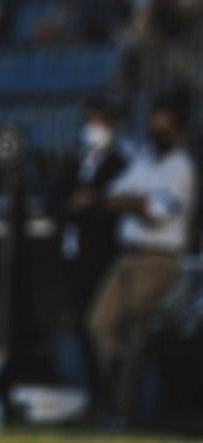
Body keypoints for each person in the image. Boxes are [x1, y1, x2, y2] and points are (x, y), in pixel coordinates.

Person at [89, 95, 197, 420]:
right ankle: (113, 391)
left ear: (177, 128)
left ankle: (123, 406)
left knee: (135, 328)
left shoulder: (182, 167)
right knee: (99, 323)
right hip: (128, 257)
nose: (156, 129)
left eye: (163, 123)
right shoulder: (144, 161)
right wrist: (137, 202)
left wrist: (134, 202)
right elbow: (110, 197)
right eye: (154, 122)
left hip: (159, 259)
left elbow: (158, 214)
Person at [46, 98, 127, 391]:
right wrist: (74, 205)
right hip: (73, 257)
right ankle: (91, 389)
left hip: (104, 257)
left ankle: (111, 391)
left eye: (101, 123)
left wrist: (91, 205)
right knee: (81, 325)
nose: (95, 129)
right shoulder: (73, 163)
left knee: (102, 324)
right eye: (91, 122)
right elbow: (52, 202)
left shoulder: (120, 165)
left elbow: (113, 207)